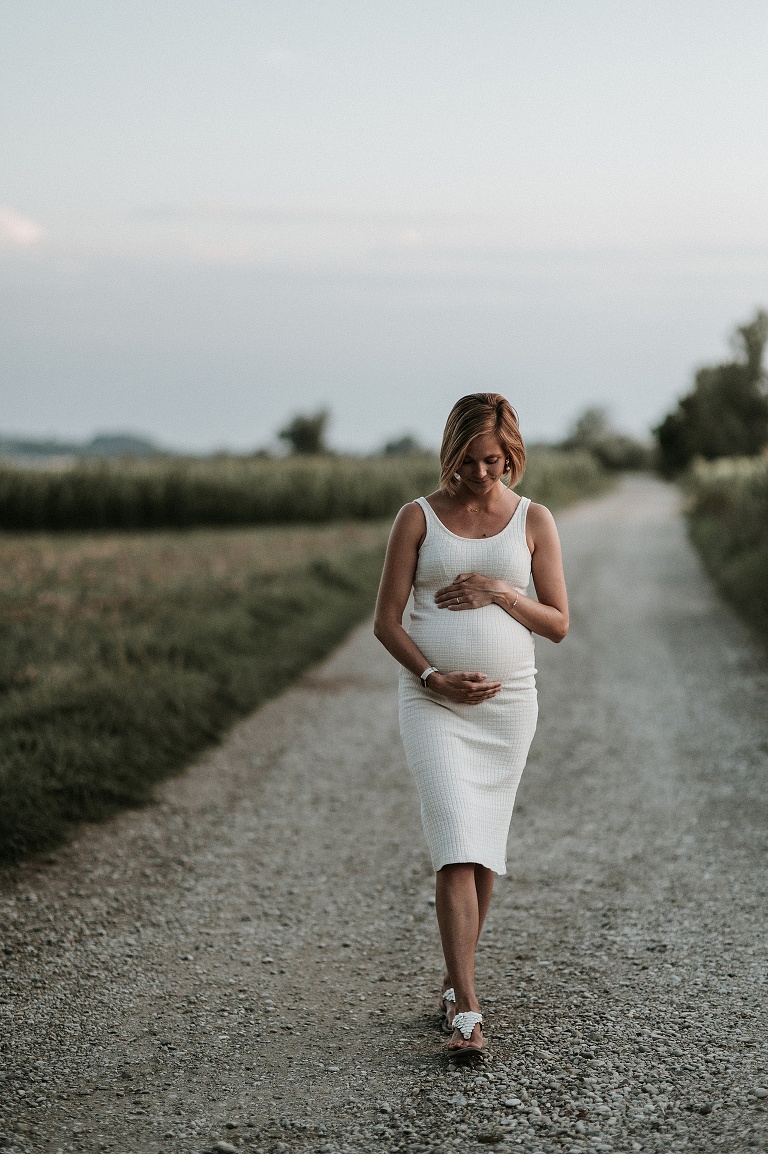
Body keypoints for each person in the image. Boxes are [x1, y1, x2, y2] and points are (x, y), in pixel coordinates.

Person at [374, 393, 568, 1059]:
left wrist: (499, 593)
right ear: (449, 452)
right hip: (432, 704)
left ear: (510, 454)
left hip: (509, 710)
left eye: (494, 460)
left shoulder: (533, 519)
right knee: (456, 842)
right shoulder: (418, 518)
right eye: (468, 459)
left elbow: (559, 624)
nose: (481, 473)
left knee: (484, 852)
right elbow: (387, 620)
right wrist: (434, 677)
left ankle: (455, 987)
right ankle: (468, 1014)